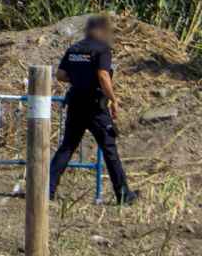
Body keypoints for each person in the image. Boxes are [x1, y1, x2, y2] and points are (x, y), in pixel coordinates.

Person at [49, 15, 138, 205]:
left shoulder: (74, 49)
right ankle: (123, 195)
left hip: (75, 104)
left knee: (67, 146)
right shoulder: (102, 49)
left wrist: (78, 79)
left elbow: (61, 75)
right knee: (109, 148)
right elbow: (103, 75)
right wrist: (113, 100)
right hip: (95, 107)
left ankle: (47, 189)